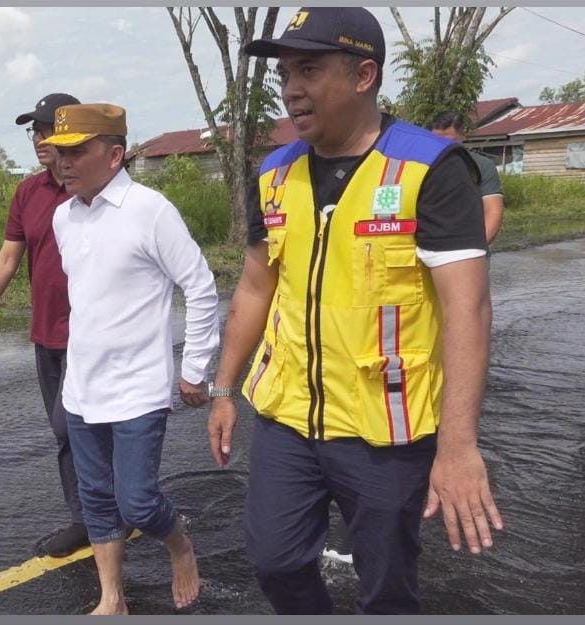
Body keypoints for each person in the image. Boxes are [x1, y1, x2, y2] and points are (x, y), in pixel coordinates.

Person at [205, 7, 505, 614]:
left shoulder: (431, 169)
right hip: (289, 416)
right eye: (286, 73)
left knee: (387, 584)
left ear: (364, 75)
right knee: (274, 560)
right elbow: (256, 287)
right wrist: (223, 387)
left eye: (309, 70)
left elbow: (467, 308)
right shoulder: (274, 172)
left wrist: (458, 445)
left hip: (386, 430)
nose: (291, 89)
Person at [41, 103, 219, 614]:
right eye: (60, 152)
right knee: (97, 499)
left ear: (114, 154)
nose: (64, 163)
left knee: (137, 501)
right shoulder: (63, 217)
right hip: (83, 386)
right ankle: (112, 598)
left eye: (78, 151)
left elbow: (200, 286)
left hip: (138, 387)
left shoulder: (150, 210)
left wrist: (194, 369)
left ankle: (179, 545)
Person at [0, 92, 90, 558]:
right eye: (35, 130)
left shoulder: (92, 188)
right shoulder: (28, 192)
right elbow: (10, 256)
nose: (39, 139)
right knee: (66, 433)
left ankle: (103, 512)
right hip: (46, 332)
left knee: (72, 427)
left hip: (90, 333)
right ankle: (90, 516)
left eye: (47, 129)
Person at [429, 110, 506, 243]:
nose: (441, 147)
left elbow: (493, 211)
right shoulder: (419, 164)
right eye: (436, 141)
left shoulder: (482, 165)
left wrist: (478, 247)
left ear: (463, 134)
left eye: (449, 141)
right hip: (427, 248)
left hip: (467, 245)